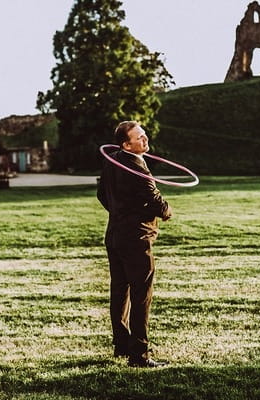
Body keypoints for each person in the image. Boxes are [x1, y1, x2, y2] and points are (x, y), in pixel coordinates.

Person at [97, 121, 172, 368]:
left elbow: (101, 194)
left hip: (115, 235)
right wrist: (166, 212)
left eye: (143, 135)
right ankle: (139, 354)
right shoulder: (137, 167)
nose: (145, 139)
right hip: (136, 239)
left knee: (120, 291)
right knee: (141, 295)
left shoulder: (112, 161)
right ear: (126, 144)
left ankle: (121, 345)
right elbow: (154, 199)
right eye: (139, 138)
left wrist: (120, 212)